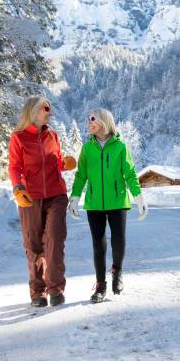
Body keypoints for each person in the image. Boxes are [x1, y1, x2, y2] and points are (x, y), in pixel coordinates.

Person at [68, 108, 148, 303]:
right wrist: (75, 197)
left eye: (93, 119)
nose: (89, 123)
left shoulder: (120, 147)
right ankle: (100, 285)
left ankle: (117, 271)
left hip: (118, 202)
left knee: (118, 241)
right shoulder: (87, 149)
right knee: (98, 245)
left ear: (104, 121)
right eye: (88, 120)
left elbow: (130, 174)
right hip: (94, 203)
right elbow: (81, 175)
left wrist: (139, 197)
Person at [8, 96, 77, 307]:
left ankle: (55, 288)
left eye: (49, 108)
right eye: (45, 108)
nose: (49, 111)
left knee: (55, 239)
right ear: (34, 110)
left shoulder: (52, 136)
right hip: (31, 197)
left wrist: (65, 163)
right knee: (34, 243)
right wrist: (18, 188)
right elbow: (15, 167)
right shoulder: (18, 138)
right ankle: (37, 291)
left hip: (56, 195)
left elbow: (55, 162)